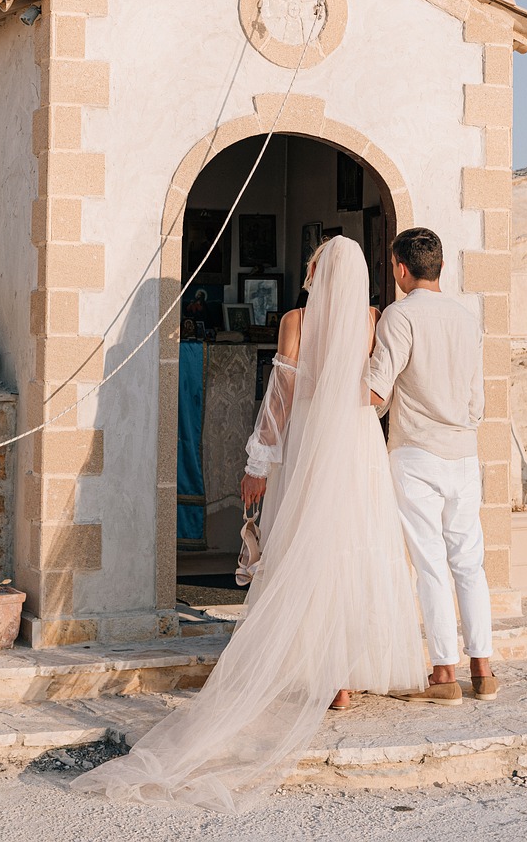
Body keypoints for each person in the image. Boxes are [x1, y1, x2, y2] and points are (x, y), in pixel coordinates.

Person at [70, 236, 426, 812]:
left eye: (311, 263)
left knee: (303, 543)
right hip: (356, 442)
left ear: (317, 270)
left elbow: (280, 398)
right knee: (352, 545)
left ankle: (312, 666)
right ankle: (343, 678)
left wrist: (257, 462)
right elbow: (376, 396)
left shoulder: (294, 320)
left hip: (309, 442)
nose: (307, 271)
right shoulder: (371, 319)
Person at [368, 227, 498, 705]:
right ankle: (483, 670)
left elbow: (377, 393)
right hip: (464, 453)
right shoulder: (468, 319)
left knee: (430, 565)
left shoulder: (399, 317)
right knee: (470, 562)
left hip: (416, 452)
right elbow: (477, 400)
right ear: (439, 266)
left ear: (401, 268)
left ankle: (444, 673)